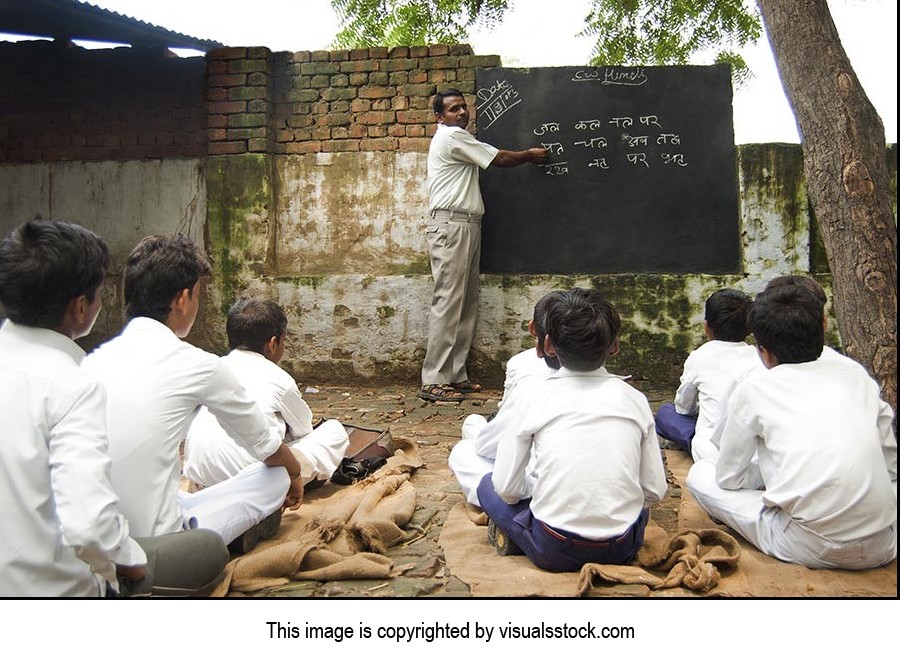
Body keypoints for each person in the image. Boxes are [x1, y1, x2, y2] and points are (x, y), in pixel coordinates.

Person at [0, 220, 226, 597]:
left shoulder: (84, 367)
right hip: (55, 592)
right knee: (207, 550)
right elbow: (89, 526)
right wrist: (130, 566)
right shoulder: (71, 385)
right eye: (99, 291)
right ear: (80, 306)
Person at [83, 235, 306, 551]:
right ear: (183, 299)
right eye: (198, 296)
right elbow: (265, 444)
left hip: (96, 531)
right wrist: (295, 474)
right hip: (158, 541)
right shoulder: (199, 364)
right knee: (275, 477)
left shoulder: (92, 361)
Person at [686, 286, 896, 569]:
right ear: (823, 327)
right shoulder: (856, 375)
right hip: (884, 543)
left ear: (762, 351)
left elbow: (729, 478)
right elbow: (891, 467)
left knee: (700, 474)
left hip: (807, 544)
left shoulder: (755, 387)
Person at [476, 288, 668, 572]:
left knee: (486, 486)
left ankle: (522, 537)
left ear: (548, 346)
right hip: (623, 547)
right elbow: (654, 490)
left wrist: (537, 487)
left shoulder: (533, 398)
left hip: (553, 548)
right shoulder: (634, 399)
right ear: (614, 345)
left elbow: (507, 489)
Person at [419, 88, 549, 402]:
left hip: (465, 224)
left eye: (463, 107)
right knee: (449, 301)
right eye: (453, 109)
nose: (462, 113)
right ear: (440, 117)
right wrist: (530, 156)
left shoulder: (457, 138)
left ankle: (455, 375)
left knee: (464, 303)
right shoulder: (451, 137)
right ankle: (433, 380)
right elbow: (499, 159)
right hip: (452, 224)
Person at [184, 297, 349, 491]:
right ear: (272, 343)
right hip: (253, 485)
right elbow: (304, 431)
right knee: (334, 431)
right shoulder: (278, 378)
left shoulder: (213, 369)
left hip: (201, 481)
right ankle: (291, 485)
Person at [448, 290, 564, 506]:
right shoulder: (629, 398)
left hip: (546, 513)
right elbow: (648, 488)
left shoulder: (528, 388)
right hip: (617, 527)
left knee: (465, 450)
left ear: (534, 331)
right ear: (611, 345)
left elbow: (508, 489)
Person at [655, 288, 761, 461]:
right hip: (751, 443)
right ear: (749, 328)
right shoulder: (759, 357)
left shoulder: (699, 357)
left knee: (666, 413)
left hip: (712, 446)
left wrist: (701, 409)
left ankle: (692, 443)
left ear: (706, 327)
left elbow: (683, 407)